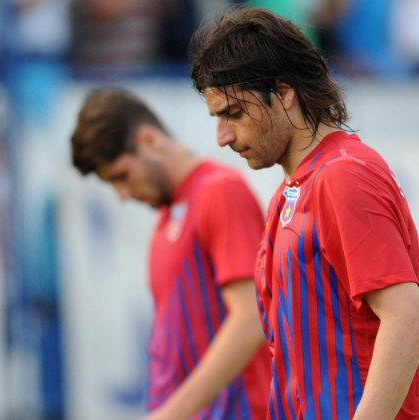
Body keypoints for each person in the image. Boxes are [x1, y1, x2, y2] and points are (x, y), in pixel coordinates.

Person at [190, 7, 419, 420]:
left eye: (233, 113)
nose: (223, 137)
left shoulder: (342, 176)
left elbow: (408, 322)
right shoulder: (291, 192)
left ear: (285, 93)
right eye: (216, 118)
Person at [70, 89, 271, 420]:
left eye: (122, 176)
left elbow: (251, 318)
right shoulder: (169, 214)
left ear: (149, 140)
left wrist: (172, 413)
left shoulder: (220, 191)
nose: (122, 194)